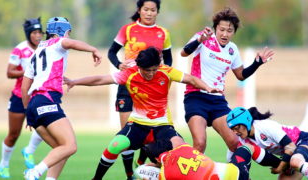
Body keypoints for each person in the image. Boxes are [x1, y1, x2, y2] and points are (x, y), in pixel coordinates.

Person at [63, 47, 221, 180]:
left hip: (162, 125)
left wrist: (207, 88)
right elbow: (99, 80)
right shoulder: (129, 74)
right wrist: (75, 82)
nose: (151, 74)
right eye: (147, 70)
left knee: (182, 148)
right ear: (139, 66)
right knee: (115, 145)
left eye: (154, 69)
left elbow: (191, 79)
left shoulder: (166, 71)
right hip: (138, 124)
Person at [180, 7, 274, 154]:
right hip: (196, 97)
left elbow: (240, 75)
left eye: (229, 31)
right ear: (215, 28)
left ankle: (238, 175)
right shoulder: (203, 38)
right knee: (200, 143)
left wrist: (257, 63)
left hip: (217, 101)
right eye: (221, 29)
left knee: (235, 142)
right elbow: (184, 53)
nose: (225, 34)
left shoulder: (232, 50)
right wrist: (199, 40)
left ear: (234, 32)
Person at [21, 17, 102, 180]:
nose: (69, 37)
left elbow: (24, 88)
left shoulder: (35, 53)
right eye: (68, 33)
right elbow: (69, 43)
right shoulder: (58, 43)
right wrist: (93, 49)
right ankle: (34, 172)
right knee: (70, 146)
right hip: (46, 99)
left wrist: (28, 114)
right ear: (60, 32)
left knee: (61, 150)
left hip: (33, 106)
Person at [108, 0, 173, 175]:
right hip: (128, 85)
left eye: (153, 10)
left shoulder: (163, 33)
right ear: (139, 10)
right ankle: (129, 174)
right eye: (146, 9)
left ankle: (141, 166)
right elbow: (111, 52)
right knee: (127, 133)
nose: (149, 13)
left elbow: (168, 60)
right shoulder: (127, 29)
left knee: (149, 131)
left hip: (152, 88)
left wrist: (163, 77)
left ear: (157, 12)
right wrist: (119, 64)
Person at [227, 107, 308, 180]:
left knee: (295, 162)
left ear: (247, 121)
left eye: (237, 128)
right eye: (233, 129)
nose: (235, 132)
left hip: (303, 141)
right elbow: (234, 168)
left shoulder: (264, 126)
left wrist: (280, 168)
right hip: (288, 156)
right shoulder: (240, 141)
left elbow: (291, 147)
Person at [0, 17, 44, 179]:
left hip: (38, 96)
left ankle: (29, 150)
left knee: (45, 127)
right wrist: (28, 71)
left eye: (40, 32)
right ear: (28, 34)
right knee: (13, 134)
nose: (38, 35)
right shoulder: (20, 50)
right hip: (19, 96)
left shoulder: (45, 48)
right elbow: (9, 72)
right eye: (34, 32)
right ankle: (4, 164)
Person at [142, 137, 256, 180]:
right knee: (248, 147)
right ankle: (275, 164)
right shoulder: (184, 147)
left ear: (156, 159)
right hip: (237, 172)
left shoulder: (164, 174)